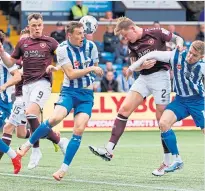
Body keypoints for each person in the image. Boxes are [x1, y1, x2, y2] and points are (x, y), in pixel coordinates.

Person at [88, 17, 184, 176]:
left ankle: (167, 161)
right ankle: (109, 150)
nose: (125, 40)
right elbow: (135, 64)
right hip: (144, 78)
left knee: (162, 120)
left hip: (161, 77)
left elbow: (177, 38)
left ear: (132, 29)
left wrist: (179, 45)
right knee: (124, 109)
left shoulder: (156, 32)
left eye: (126, 36)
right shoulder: (131, 44)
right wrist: (142, 65)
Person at [16, 21, 103, 181]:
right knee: (55, 118)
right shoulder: (62, 49)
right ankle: (27, 146)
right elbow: (70, 73)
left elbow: (95, 66)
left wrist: (91, 69)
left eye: (83, 33)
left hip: (86, 95)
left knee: (79, 129)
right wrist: (90, 69)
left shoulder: (91, 46)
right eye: (79, 34)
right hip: (69, 91)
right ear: (70, 35)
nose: (82, 36)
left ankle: (63, 169)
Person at [0, 13, 68, 170]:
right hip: (26, 87)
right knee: (25, 126)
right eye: (33, 25)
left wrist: (56, 67)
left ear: (42, 25)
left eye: (39, 25)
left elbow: (64, 58)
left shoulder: (50, 42)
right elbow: (10, 61)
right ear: (29, 26)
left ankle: (34, 149)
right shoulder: (23, 43)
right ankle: (58, 141)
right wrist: (2, 52)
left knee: (30, 114)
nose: (37, 28)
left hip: (43, 83)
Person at [125, 40, 204, 173]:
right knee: (163, 123)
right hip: (180, 101)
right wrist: (132, 68)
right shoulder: (176, 56)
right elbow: (153, 54)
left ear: (202, 57)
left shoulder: (202, 66)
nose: (190, 56)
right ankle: (177, 159)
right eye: (190, 52)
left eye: (194, 56)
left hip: (198, 102)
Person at [0, 31, 22, 174]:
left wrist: (4, 86)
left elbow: (18, 76)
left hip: (3, 101)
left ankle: (14, 156)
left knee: (19, 131)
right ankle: (14, 155)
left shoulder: (5, 58)